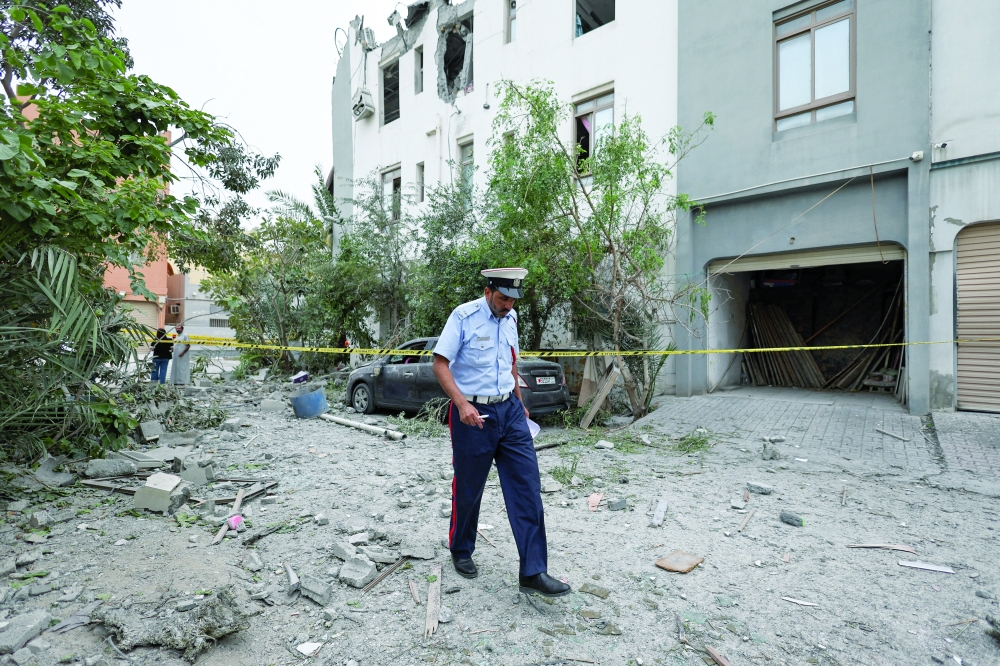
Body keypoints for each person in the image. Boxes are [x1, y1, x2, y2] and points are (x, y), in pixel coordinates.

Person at [432, 268, 571, 598]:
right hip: (473, 413)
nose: (508, 305)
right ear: (487, 292)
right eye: (503, 298)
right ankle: (461, 549)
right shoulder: (463, 317)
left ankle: (533, 571)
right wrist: (462, 404)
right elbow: (439, 363)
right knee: (469, 487)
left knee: (527, 486)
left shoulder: (511, 318)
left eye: (513, 300)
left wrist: (520, 403)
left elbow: (511, 362)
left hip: (510, 411)